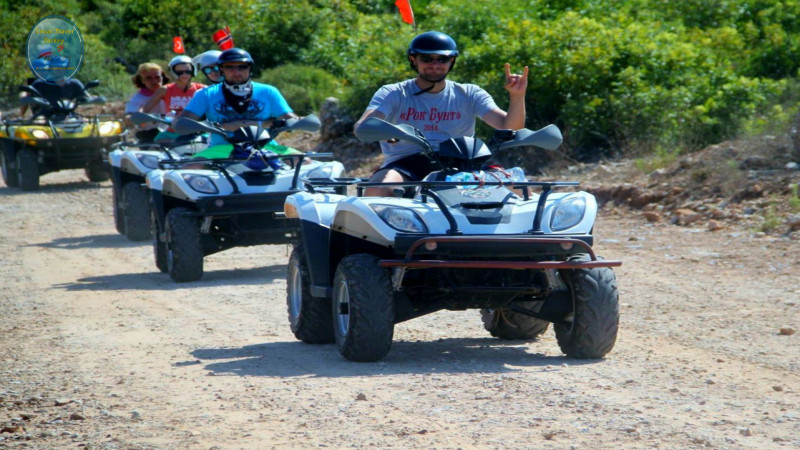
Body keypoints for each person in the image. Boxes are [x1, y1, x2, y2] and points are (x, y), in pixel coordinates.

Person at [354, 31, 529, 196]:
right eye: (427, 59)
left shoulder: (470, 93)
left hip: (462, 162)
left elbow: (510, 128)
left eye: (442, 59)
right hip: (407, 164)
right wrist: (385, 130)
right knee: (379, 189)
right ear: (413, 60)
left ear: (451, 61)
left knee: (520, 189)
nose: (435, 65)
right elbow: (362, 126)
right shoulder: (394, 93)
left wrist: (517, 96)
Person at [174, 48, 298, 157]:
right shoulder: (205, 94)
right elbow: (181, 123)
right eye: (229, 67)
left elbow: (290, 119)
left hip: (266, 145)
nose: (236, 72)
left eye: (242, 67)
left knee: (304, 161)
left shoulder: (268, 91)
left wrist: (296, 121)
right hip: (221, 148)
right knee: (193, 167)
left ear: (249, 67)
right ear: (221, 69)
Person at [125, 62, 168, 142]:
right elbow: (130, 116)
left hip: (171, 133)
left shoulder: (171, 94)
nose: (154, 81)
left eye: (157, 77)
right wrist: (131, 117)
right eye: (148, 78)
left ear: (162, 78)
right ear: (142, 80)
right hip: (148, 134)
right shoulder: (137, 99)